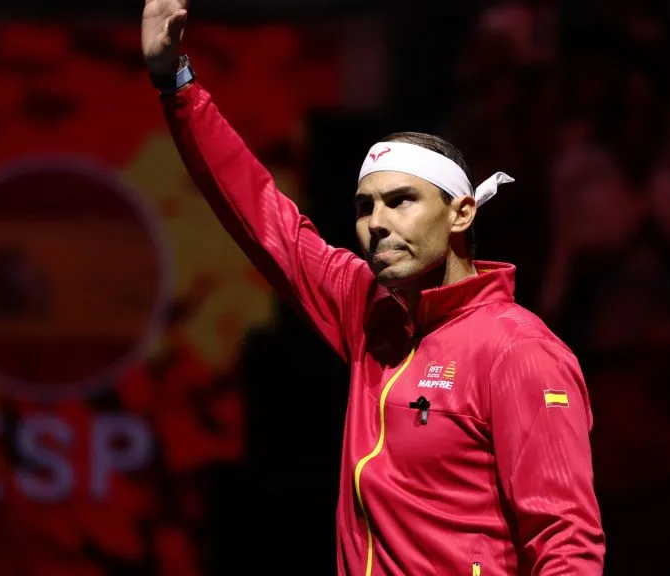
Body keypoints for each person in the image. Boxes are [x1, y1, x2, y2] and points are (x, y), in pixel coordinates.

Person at [141, 1, 606, 574]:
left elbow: (567, 544)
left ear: (460, 214)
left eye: (400, 201)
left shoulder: (518, 352)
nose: (376, 223)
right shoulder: (369, 314)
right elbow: (262, 215)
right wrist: (176, 84)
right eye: (365, 207)